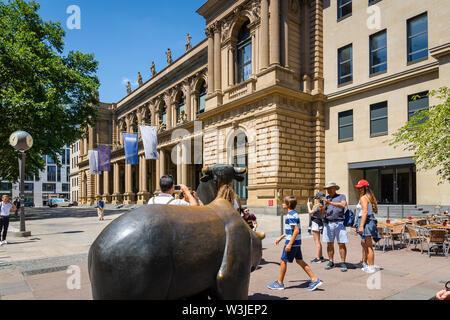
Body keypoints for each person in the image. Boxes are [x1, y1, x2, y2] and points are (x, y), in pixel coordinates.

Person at [267, 196, 323, 291]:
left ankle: (279, 283)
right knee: (299, 261)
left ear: (288, 205)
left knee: (283, 261)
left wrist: (289, 244)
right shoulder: (294, 214)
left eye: (284, 203)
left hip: (292, 242)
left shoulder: (290, 215)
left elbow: (296, 230)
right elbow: (291, 230)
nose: (282, 204)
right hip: (296, 242)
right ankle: (314, 279)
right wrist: (281, 237)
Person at [354, 180, 381, 274]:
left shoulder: (363, 198)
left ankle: (371, 266)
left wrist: (361, 226)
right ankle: (365, 263)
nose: (358, 189)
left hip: (366, 221)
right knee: (364, 243)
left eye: (360, 187)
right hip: (368, 220)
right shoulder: (368, 197)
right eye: (358, 188)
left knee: (369, 245)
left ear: (365, 188)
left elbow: (365, 212)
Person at [321, 182, 349, 272]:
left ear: (335, 188)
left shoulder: (341, 196)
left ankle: (343, 262)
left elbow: (343, 205)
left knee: (341, 243)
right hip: (328, 223)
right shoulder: (326, 199)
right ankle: (331, 261)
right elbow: (323, 212)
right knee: (329, 243)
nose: (328, 190)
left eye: (330, 188)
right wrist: (321, 207)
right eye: (327, 189)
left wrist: (330, 203)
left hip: (339, 223)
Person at [307, 192, 326, 263]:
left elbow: (310, 212)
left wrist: (308, 205)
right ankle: (320, 256)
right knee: (318, 241)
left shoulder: (317, 205)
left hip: (315, 223)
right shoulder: (323, 205)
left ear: (318, 198)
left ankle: (318, 258)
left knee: (317, 241)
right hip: (319, 222)